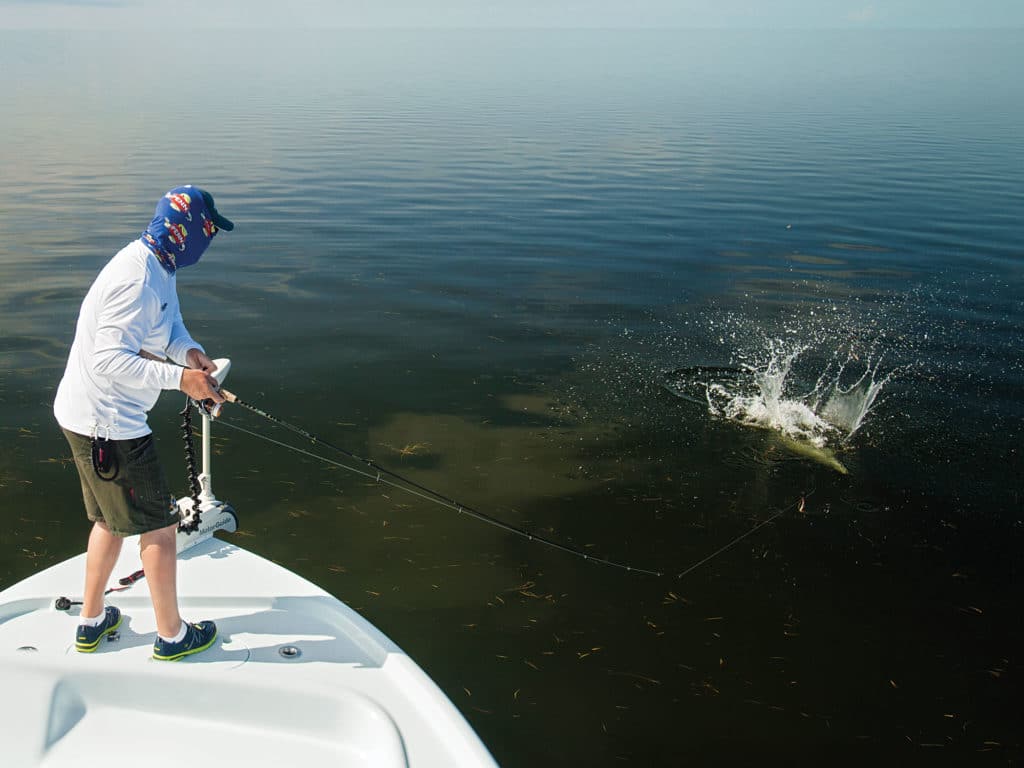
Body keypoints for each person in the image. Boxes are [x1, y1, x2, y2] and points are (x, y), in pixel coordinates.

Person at [54, 185, 231, 660]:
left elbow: (167, 325)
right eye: (208, 231)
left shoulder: (157, 263)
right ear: (188, 233)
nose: (210, 241)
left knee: (109, 522)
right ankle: (172, 636)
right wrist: (181, 380)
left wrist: (188, 352)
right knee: (160, 527)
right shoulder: (137, 279)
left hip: (85, 414)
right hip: (109, 424)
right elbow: (109, 358)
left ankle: (91, 621)